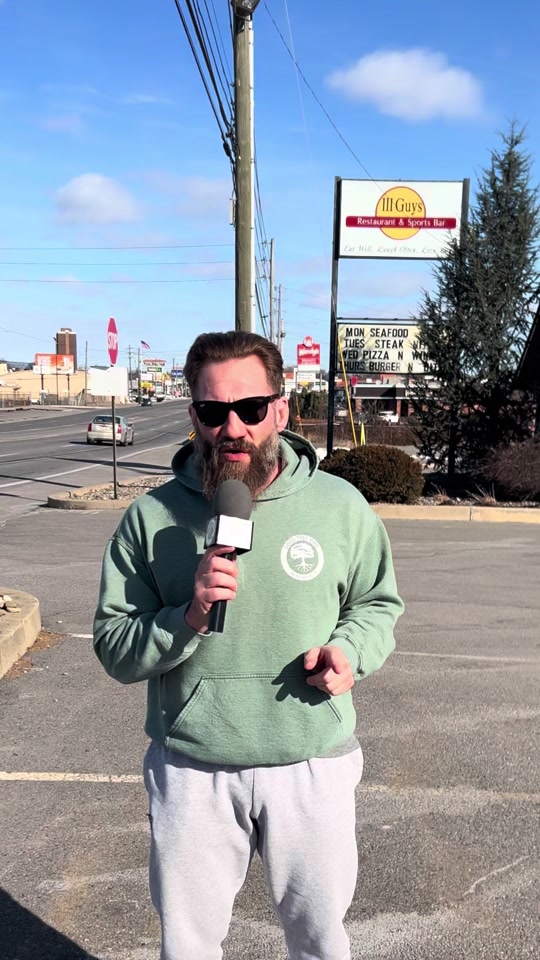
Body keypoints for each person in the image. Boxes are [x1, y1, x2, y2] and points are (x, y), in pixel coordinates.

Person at [94, 331, 404, 960]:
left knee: (320, 941)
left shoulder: (340, 507)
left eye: (250, 408)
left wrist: (350, 651)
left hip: (311, 763)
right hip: (193, 770)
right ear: (194, 416)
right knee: (188, 946)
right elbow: (115, 645)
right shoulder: (149, 519)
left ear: (280, 410)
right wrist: (187, 616)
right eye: (214, 411)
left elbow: (376, 603)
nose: (231, 429)